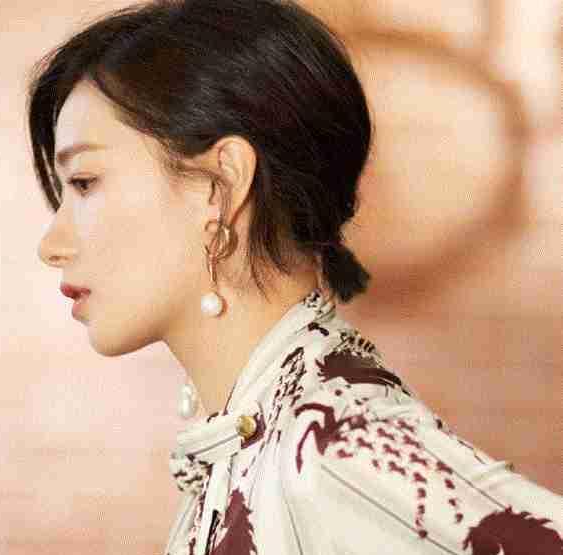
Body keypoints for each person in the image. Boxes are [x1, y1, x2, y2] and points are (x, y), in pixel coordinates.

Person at [28, 0, 563, 553]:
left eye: (85, 182)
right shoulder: (254, 442)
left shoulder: (329, 446)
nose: (52, 245)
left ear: (220, 186)